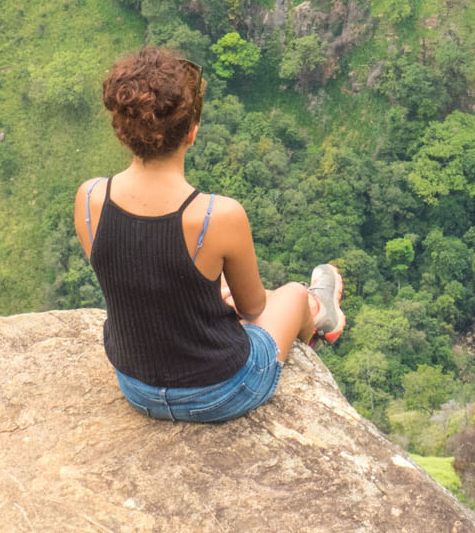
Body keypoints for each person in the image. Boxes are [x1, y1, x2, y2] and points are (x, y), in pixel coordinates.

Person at [73, 47, 347, 423]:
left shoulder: (89, 198)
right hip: (221, 391)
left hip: (136, 387)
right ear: (193, 132)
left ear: (122, 131)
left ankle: (308, 308)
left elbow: (135, 272)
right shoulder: (216, 216)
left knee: (220, 290)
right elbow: (253, 310)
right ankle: (318, 314)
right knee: (294, 295)